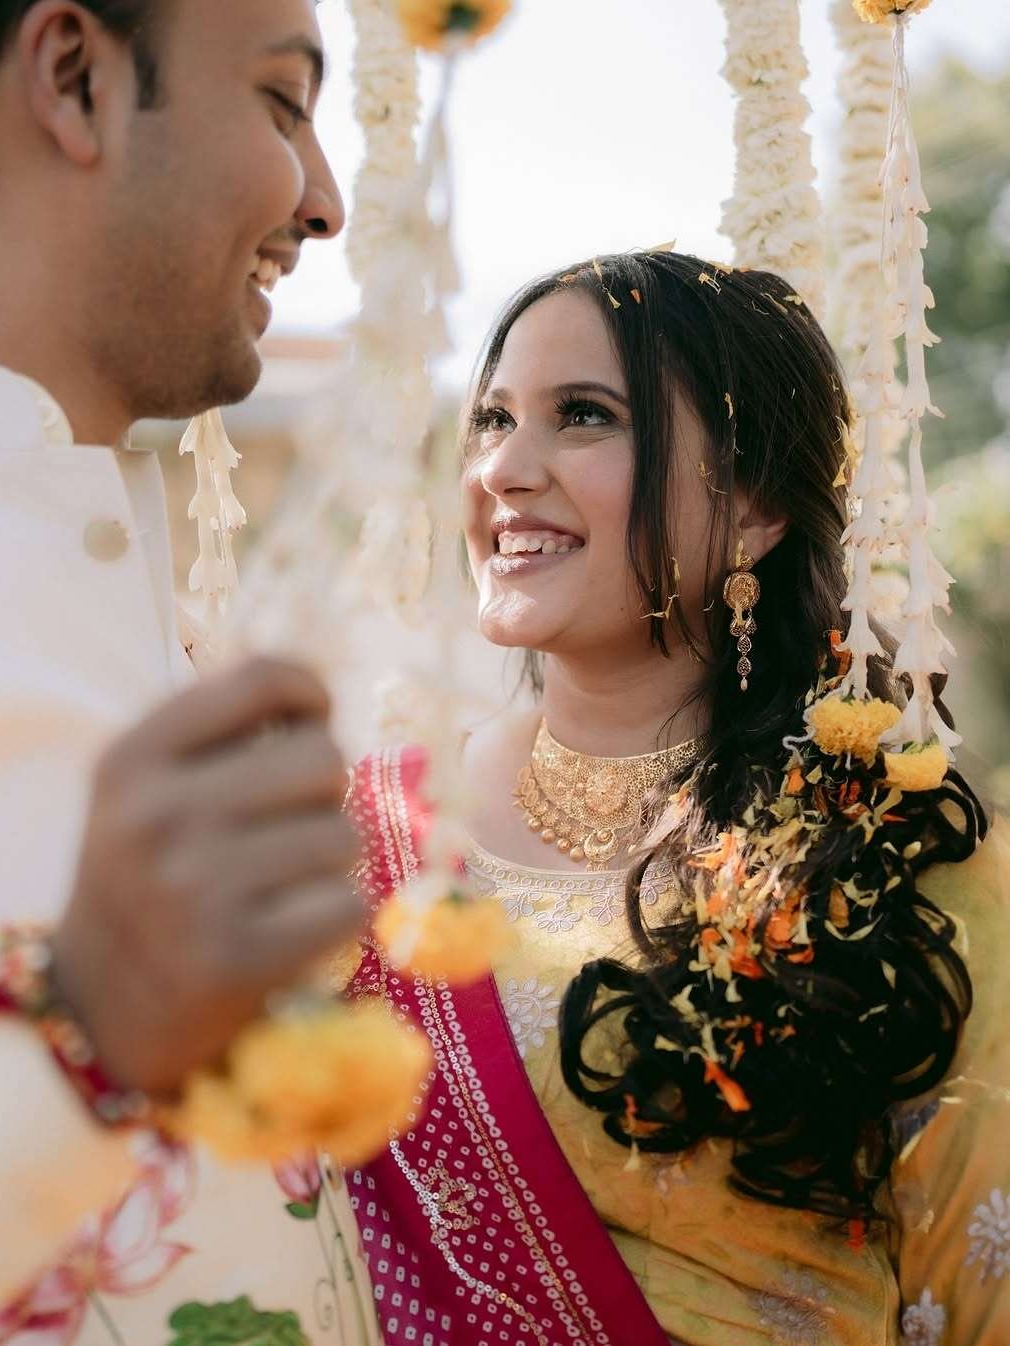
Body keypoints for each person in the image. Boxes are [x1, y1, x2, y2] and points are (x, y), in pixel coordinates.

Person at [345, 250, 1008, 1345]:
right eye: (493, 417)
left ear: (754, 506)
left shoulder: (891, 868)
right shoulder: (369, 833)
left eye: (585, 416)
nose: (503, 468)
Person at [0, 2, 380, 1341]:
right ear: (75, 78)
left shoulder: (147, 596)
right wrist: (79, 1033)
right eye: (283, 101)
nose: (325, 202)